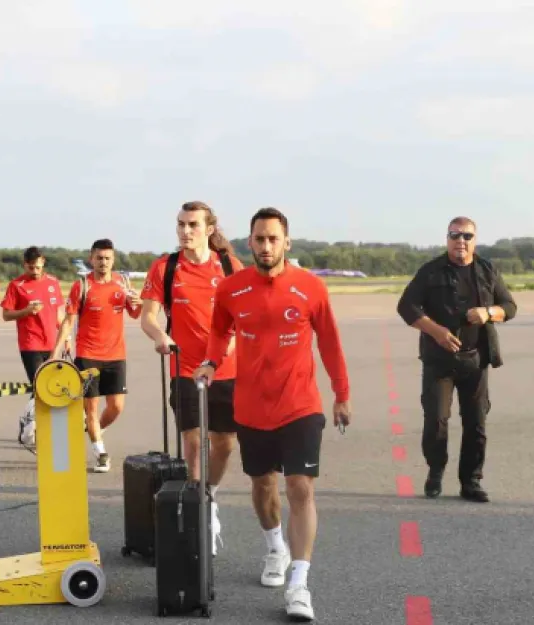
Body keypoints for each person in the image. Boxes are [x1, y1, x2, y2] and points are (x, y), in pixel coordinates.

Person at [195, 206, 351, 622]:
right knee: (264, 487)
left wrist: (341, 393)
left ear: (287, 242)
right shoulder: (231, 289)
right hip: (251, 407)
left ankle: (299, 585)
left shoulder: (310, 288)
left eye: (273, 239)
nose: (266, 246)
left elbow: (331, 343)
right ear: (250, 242)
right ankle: (275, 548)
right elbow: (218, 332)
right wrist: (211, 362)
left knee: (300, 487)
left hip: (300, 406)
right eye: (259, 239)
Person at [140, 200, 244, 555]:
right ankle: (201, 512)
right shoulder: (165, 268)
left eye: (192, 225)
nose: (185, 231)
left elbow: (244, 316)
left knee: (225, 443)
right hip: (184, 367)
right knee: (194, 442)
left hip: (226, 370)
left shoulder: (229, 266)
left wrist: (228, 346)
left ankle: (209, 494)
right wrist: (160, 337)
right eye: (181, 224)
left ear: (209, 229)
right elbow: (148, 317)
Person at [396, 216, 517, 503]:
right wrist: (436, 331)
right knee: (436, 421)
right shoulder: (431, 271)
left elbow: (509, 307)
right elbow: (406, 306)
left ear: (475, 240)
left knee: (476, 423)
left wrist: (488, 313)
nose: (460, 241)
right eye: (455, 235)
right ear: (447, 238)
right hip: (439, 362)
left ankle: (471, 481)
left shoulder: (487, 270)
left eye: (467, 236)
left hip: (476, 361)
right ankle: (436, 472)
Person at [51, 239, 142, 472]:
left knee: (116, 407)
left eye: (107, 258)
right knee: (90, 408)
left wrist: (138, 302)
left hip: (116, 354)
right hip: (88, 354)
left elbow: (134, 313)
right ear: (91, 259)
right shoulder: (82, 286)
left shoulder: (122, 283)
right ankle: (100, 452)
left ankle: (94, 431)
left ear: (113, 260)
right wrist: (54, 353)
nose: (103, 262)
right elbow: (68, 321)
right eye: (99, 258)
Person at [1, 246, 67, 448]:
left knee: (52, 388)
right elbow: (6, 314)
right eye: (31, 268)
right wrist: (27, 311)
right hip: (30, 343)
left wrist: (66, 338)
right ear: (25, 265)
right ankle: (31, 427)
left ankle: (38, 427)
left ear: (43, 262)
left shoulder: (53, 283)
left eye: (38, 267)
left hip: (52, 343)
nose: (35, 271)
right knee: (40, 385)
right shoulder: (16, 285)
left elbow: (59, 314)